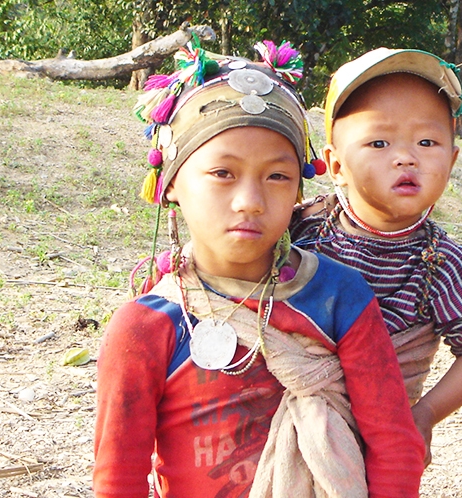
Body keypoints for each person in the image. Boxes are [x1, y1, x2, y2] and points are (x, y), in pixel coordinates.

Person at [93, 40, 424, 498]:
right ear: (170, 184)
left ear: (297, 190)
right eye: (222, 174)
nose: (250, 201)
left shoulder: (337, 297)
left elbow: (393, 444)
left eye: (277, 176)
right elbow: (119, 478)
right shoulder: (145, 328)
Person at [291, 48, 462, 465]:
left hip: (376, 444)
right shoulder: (302, 231)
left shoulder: (442, 266)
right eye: (379, 142)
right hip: (283, 426)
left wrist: (423, 415)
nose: (406, 157)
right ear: (336, 164)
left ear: (452, 160)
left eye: (427, 141)